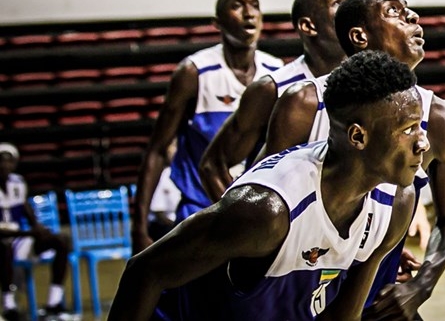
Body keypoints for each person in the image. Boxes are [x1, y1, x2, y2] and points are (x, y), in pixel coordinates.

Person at [108, 51, 425, 321]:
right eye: (409, 129)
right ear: (358, 137)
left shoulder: (398, 202)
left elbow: (343, 316)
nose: (423, 142)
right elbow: (144, 271)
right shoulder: (266, 210)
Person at [260, 0, 445, 319]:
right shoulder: (305, 103)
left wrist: (421, 285)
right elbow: (266, 202)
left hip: (373, 293)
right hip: (296, 290)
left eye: (409, 9)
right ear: (359, 36)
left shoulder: (442, 119)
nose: (412, 16)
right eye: (394, 11)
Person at [131, 0, 283, 254]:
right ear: (218, 23)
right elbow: (156, 151)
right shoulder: (194, 72)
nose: (249, 13)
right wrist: (139, 228)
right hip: (201, 207)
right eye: (237, 6)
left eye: (255, 5)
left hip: (255, 210)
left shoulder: (276, 71)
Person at [199, 0, 350, 202]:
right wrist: (242, 225)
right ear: (308, 26)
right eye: (339, 2)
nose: (351, 9)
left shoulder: (373, 81)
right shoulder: (273, 88)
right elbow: (212, 165)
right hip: (292, 224)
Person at [0, 144, 74, 321]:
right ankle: (9, 304)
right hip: (4, 240)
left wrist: (37, 227)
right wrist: (31, 233)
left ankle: (54, 302)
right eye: (1, 161)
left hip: (20, 237)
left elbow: (25, 206)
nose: (5, 166)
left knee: (61, 241)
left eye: (9, 162)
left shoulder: (17, 182)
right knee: (3, 248)